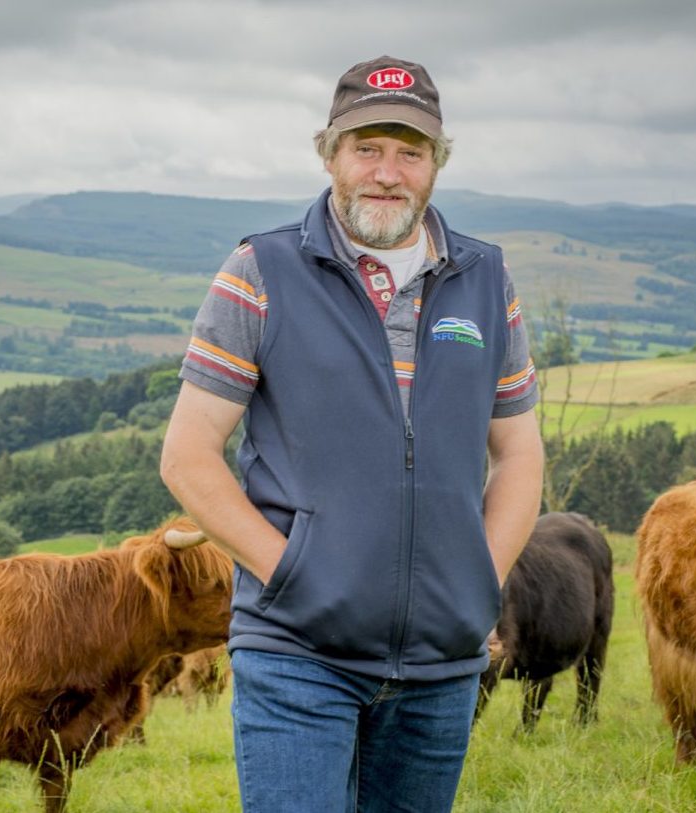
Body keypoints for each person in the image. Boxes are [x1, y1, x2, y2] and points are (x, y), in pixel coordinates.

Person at [159, 55, 544, 813]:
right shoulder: (261, 268)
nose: (386, 172)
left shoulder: (485, 279)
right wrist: (294, 576)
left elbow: (519, 451)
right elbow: (188, 455)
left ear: (437, 163)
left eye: (410, 150)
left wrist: (479, 581)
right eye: (366, 147)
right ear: (329, 153)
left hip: (439, 666)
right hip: (298, 653)